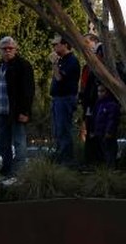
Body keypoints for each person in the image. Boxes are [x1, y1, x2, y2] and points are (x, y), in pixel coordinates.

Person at [0, 35, 34, 182]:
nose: (7, 51)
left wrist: (25, 111)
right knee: (2, 143)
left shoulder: (23, 65)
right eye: (4, 48)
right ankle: (6, 170)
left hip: (16, 111)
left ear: (15, 49)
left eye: (10, 48)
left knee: (19, 142)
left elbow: (28, 90)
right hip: (0, 111)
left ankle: (18, 172)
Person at [50, 34, 80, 164]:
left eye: (56, 44)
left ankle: (67, 162)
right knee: (57, 131)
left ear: (65, 45)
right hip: (57, 99)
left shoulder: (71, 60)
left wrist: (54, 63)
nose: (54, 47)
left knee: (63, 130)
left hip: (65, 99)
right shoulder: (62, 60)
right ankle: (60, 158)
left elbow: (59, 78)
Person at [80, 33, 105, 164]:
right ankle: (91, 162)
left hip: (100, 103)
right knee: (91, 132)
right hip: (90, 103)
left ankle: (102, 163)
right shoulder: (88, 64)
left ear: (94, 42)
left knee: (99, 132)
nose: (84, 46)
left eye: (87, 42)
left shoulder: (102, 56)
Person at [92, 84, 120, 168]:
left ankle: (112, 167)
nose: (100, 93)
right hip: (100, 133)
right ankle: (108, 166)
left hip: (108, 133)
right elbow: (95, 118)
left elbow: (112, 119)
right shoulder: (98, 104)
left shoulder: (112, 105)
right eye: (98, 91)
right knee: (104, 151)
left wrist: (109, 131)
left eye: (102, 91)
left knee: (110, 150)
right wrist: (94, 131)